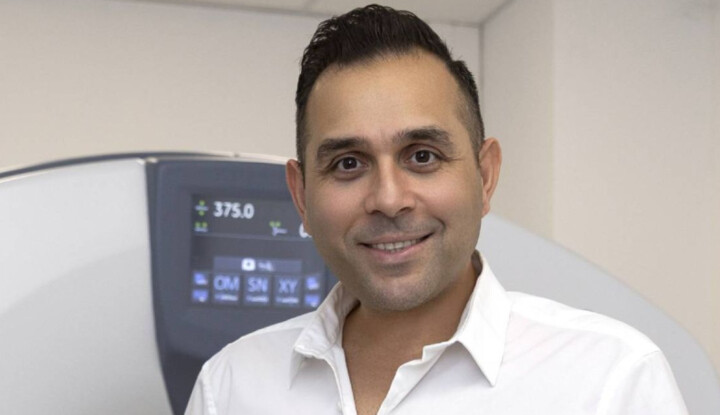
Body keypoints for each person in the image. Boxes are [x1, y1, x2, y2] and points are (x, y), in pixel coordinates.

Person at [185, 5, 688, 414]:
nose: (388, 199)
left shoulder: (610, 380)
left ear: (485, 176)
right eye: (348, 163)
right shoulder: (231, 387)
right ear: (300, 196)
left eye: (422, 156)